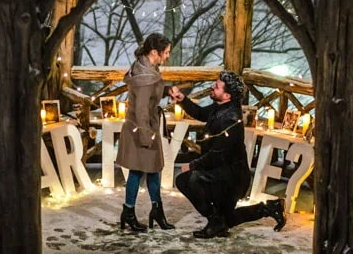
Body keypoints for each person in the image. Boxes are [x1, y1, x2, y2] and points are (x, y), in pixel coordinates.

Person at [170, 71, 286, 238]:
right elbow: (202, 114)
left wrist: (192, 165)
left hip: (231, 179)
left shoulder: (230, 119)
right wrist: (183, 100)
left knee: (189, 179)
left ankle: (217, 221)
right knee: (225, 219)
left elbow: (216, 155)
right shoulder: (223, 106)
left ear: (227, 95)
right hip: (220, 172)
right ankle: (269, 209)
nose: (212, 87)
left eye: (216, 86)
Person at [115, 33, 174, 232]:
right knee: (138, 170)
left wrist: (167, 91)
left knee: (153, 169)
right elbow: (141, 109)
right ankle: (130, 212)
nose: (167, 56)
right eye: (165, 53)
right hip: (142, 128)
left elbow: (151, 94)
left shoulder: (147, 68)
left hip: (147, 126)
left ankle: (155, 210)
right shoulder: (144, 77)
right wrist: (146, 136)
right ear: (154, 52)